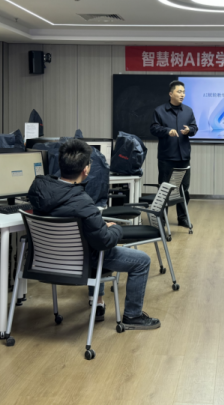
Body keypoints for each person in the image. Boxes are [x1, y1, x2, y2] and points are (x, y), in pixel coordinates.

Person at [28, 139, 160, 330]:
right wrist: (115, 228)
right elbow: (104, 241)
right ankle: (133, 315)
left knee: (91, 240)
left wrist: (97, 226)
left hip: (48, 263)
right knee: (142, 260)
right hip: (80, 263)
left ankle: (97, 302)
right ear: (86, 170)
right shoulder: (83, 202)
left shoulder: (38, 191)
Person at [150, 80, 197, 227]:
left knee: (184, 189)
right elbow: (153, 128)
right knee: (164, 189)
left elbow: (194, 128)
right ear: (171, 94)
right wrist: (166, 131)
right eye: (179, 92)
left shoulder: (188, 111)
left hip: (184, 157)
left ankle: (182, 218)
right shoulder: (159, 110)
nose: (182, 94)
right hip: (167, 157)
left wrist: (190, 130)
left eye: (183, 92)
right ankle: (162, 218)